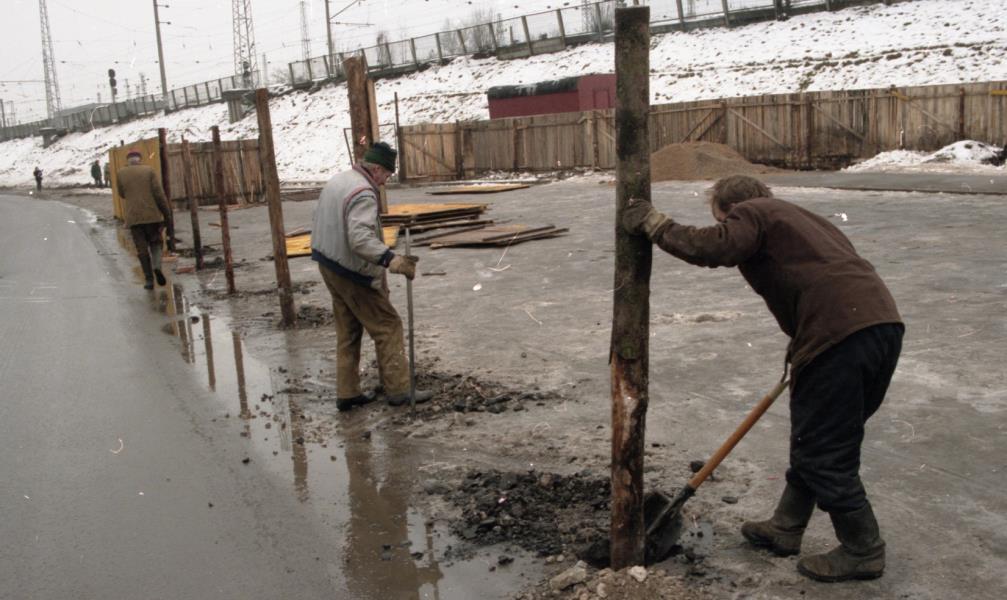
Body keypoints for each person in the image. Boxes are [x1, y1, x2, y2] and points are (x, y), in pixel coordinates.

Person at [622, 175, 903, 583]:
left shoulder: (751, 212)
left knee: (825, 450)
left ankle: (864, 550)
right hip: (876, 327)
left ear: (728, 209)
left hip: (838, 335)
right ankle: (786, 526)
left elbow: (716, 246)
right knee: (816, 437)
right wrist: (805, 339)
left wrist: (657, 225)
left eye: (721, 218)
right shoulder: (799, 217)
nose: (725, 224)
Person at [311, 141, 433, 411]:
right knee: (388, 325)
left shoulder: (340, 180)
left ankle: (348, 392)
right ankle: (399, 390)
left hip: (328, 263)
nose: (385, 181)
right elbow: (359, 239)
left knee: (348, 329)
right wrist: (390, 259)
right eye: (387, 174)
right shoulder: (363, 193)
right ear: (376, 169)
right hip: (351, 270)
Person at [116, 149, 171, 290]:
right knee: (156, 243)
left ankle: (149, 280)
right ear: (139, 159)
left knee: (141, 249)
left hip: (134, 218)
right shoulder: (149, 171)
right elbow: (159, 194)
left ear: (128, 160)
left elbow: (122, 193)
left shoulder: (121, 173)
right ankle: (157, 266)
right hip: (152, 216)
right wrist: (167, 214)